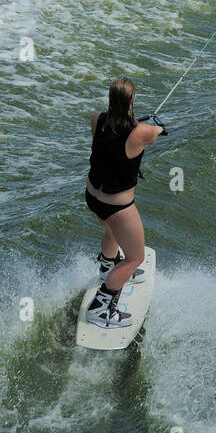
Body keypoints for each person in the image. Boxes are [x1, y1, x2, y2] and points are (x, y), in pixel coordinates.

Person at [84, 78, 166, 328]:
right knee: (134, 258)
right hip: (118, 207)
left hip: (93, 197)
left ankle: (107, 266)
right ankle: (100, 308)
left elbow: (113, 137)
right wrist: (158, 128)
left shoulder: (97, 119)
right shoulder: (141, 132)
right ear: (132, 101)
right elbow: (153, 133)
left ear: (110, 99)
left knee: (111, 230)